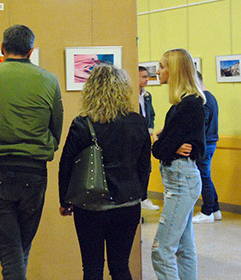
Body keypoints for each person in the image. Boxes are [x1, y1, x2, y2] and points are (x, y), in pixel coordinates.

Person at [0, 25, 63, 280]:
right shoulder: (48, 80)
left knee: (11, 251)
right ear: (31, 50)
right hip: (33, 172)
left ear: (2, 48)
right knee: (19, 249)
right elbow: (56, 128)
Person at [59, 64, 151, 280]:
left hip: (90, 204)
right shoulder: (137, 122)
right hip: (127, 203)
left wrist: (65, 200)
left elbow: (66, 165)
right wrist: (141, 194)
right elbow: (144, 165)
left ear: (91, 90)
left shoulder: (82, 124)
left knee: (92, 268)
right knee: (120, 267)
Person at [151, 49, 206, 280]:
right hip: (179, 179)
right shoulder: (181, 105)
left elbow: (159, 149)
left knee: (161, 251)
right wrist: (165, 142)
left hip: (182, 180)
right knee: (184, 247)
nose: (158, 71)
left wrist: (158, 140)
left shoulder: (189, 105)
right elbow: (167, 146)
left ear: (174, 71)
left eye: (162, 66)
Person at [192, 71, 221, 223]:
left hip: (205, 143)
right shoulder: (211, 97)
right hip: (211, 142)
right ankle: (215, 209)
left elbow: (201, 125)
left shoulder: (203, 99)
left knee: (203, 177)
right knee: (206, 176)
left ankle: (207, 211)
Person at [138, 66, 160, 211]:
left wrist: (150, 128)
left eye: (147, 76)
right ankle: (138, 197)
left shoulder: (147, 95)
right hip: (135, 134)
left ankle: (144, 197)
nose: (147, 79)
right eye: (143, 76)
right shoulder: (130, 95)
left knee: (146, 166)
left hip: (146, 135)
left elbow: (150, 113)